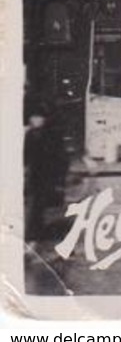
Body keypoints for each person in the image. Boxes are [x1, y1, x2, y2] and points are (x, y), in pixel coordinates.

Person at [24, 104, 69, 244]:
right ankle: (32, 232)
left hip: (45, 173)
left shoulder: (48, 134)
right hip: (34, 173)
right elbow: (25, 155)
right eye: (35, 117)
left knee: (39, 203)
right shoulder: (30, 134)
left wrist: (59, 175)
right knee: (34, 202)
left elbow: (59, 156)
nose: (37, 120)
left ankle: (36, 230)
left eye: (40, 118)